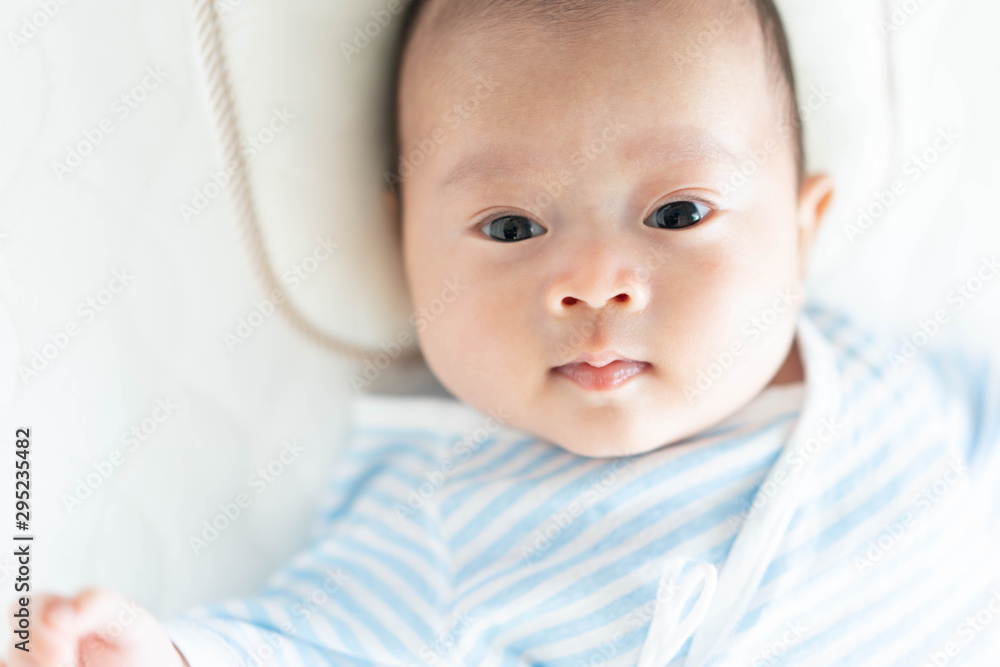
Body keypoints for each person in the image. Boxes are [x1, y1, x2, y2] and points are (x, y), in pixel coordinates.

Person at [8, 0, 1000, 664]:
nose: (595, 281)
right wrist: (161, 651)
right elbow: (306, 642)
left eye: (677, 214)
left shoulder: (890, 374)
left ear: (800, 227)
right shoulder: (446, 511)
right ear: (406, 248)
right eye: (514, 227)